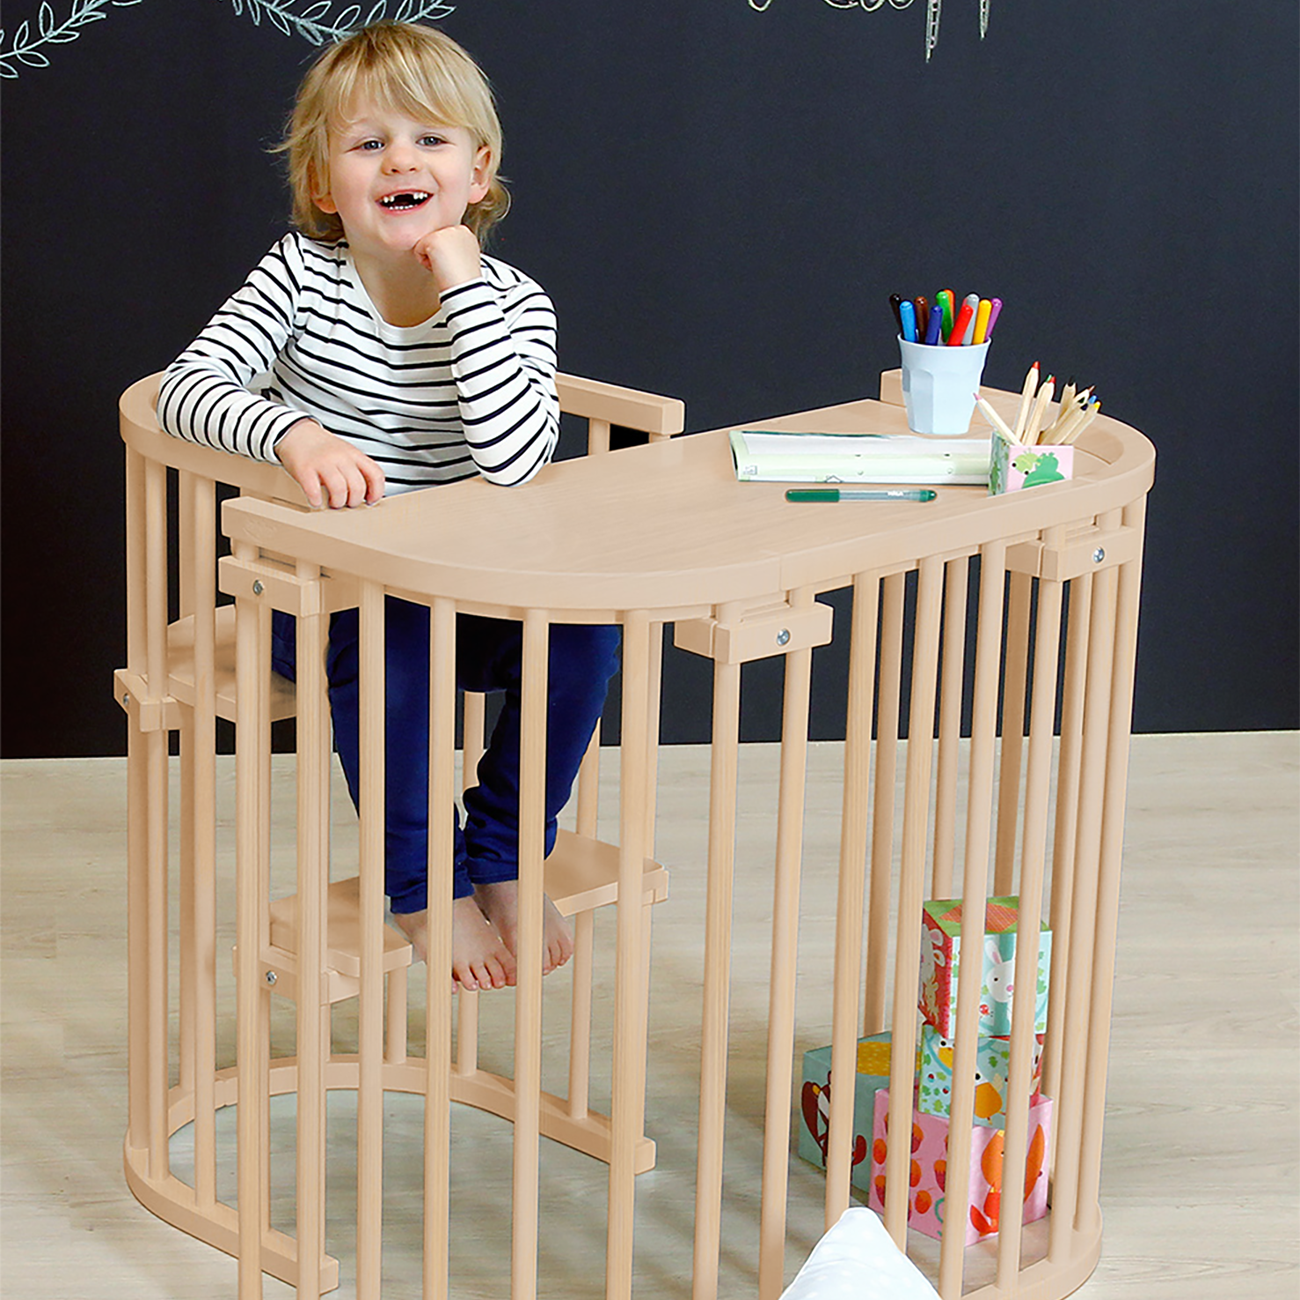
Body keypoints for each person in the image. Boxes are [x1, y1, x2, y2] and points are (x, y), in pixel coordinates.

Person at [157, 21, 620, 993]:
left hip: (476, 589)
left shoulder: (514, 303)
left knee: (582, 632)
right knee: (390, 636)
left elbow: (513, 459)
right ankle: (422, 884)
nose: (402, 160)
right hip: (326, 597)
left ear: (476, 174)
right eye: (369, 144)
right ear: (326, 184)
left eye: (430, 140)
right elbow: (185, 387)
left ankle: (505, 850)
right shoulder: (298, 278)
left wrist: (460, 285)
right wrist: (294, 434)